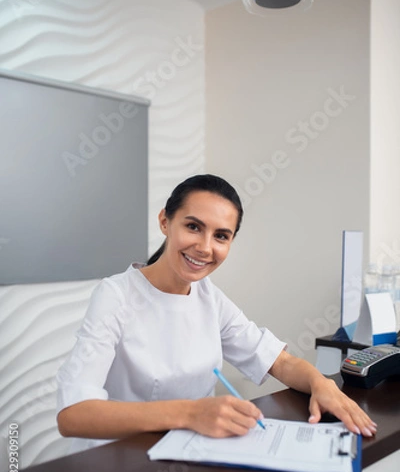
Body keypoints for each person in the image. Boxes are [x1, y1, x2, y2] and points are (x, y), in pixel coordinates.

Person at [56, 174, 377, 453]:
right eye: (194, 227)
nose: (206, 247)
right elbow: (74, 415)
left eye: (221, 236)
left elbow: (279, 362)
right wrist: (191, 413)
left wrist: (322, 384)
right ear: (165, 221)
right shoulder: (116, 295)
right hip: (118, 461)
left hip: (188, 455)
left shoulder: (209, 297)